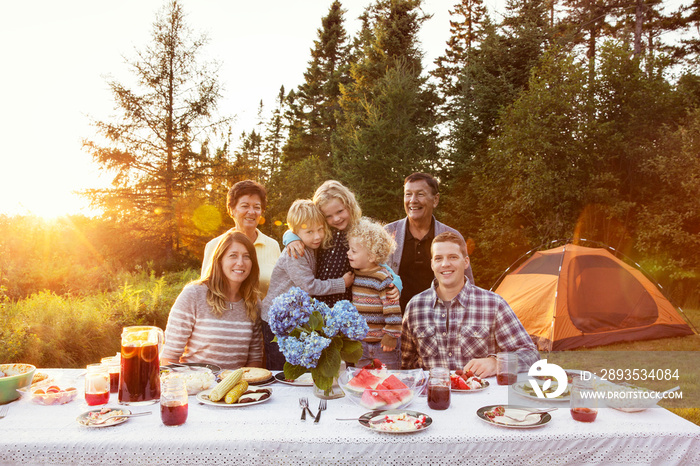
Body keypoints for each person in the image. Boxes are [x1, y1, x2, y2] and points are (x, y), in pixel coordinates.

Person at [401, 232, 539, 377]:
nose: (445, 264)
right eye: (438, 258)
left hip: (483, 397)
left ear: (466, 262)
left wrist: (496, 363)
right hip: (434, 397)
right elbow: (404, 364)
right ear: (432, 264)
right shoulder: (415, 307)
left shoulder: (493, 304)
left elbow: (531, 356)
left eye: (453, 257)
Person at [262, 200, 354, 370]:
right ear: (296, 232)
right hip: (275, 320)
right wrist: (342, 284)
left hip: (294, 319)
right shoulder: (295, 252)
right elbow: (309, 286)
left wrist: (290, 236)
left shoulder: (312, 245)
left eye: (320, 229)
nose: (317, 236)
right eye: (310, 232)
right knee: (280, 367)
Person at [283, 180, 400, 306]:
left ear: (349, 205)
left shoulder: (360, 231)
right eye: (328, 216)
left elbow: (377, 258)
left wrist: (396, 281)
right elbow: (300, 229)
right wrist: (291, 237)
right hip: (318, 301)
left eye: (340, 211)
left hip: (347, 301)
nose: (336, 219)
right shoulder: (322, 231)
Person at [162, 231, 263, 369]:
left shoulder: (254, 302)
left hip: (236, 388)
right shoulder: (194, 294)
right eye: (233, 256)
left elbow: (255, 359)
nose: (240, 263)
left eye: (246, 257)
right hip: (195, 386)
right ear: (219, 260)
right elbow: (169, 357)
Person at [385, 173, 474, 312]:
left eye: (420, 194)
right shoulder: (388, 233)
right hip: (395, 323)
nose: (413, 200)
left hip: (440, 322)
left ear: (435, 200)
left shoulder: (451, 236)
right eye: (408, 194)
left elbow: (468, 283)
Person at [202, 180, 280, 299]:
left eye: (257, 207)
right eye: (245, 206)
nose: (252, 212)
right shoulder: (214, 245)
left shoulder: (273, 246)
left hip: (264, 317)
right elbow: (204, 291)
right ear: (232, 210)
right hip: (224, 316)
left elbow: (280, 288)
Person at [346, 217, 402, 369]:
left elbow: (393, 309)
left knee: (388, 378)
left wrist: (391, 336)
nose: (348, 253)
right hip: (361, 344)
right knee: (362, 382)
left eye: (354, 251)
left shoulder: (382, 278)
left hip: (383, 345)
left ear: (371, 256)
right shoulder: (355, 275)